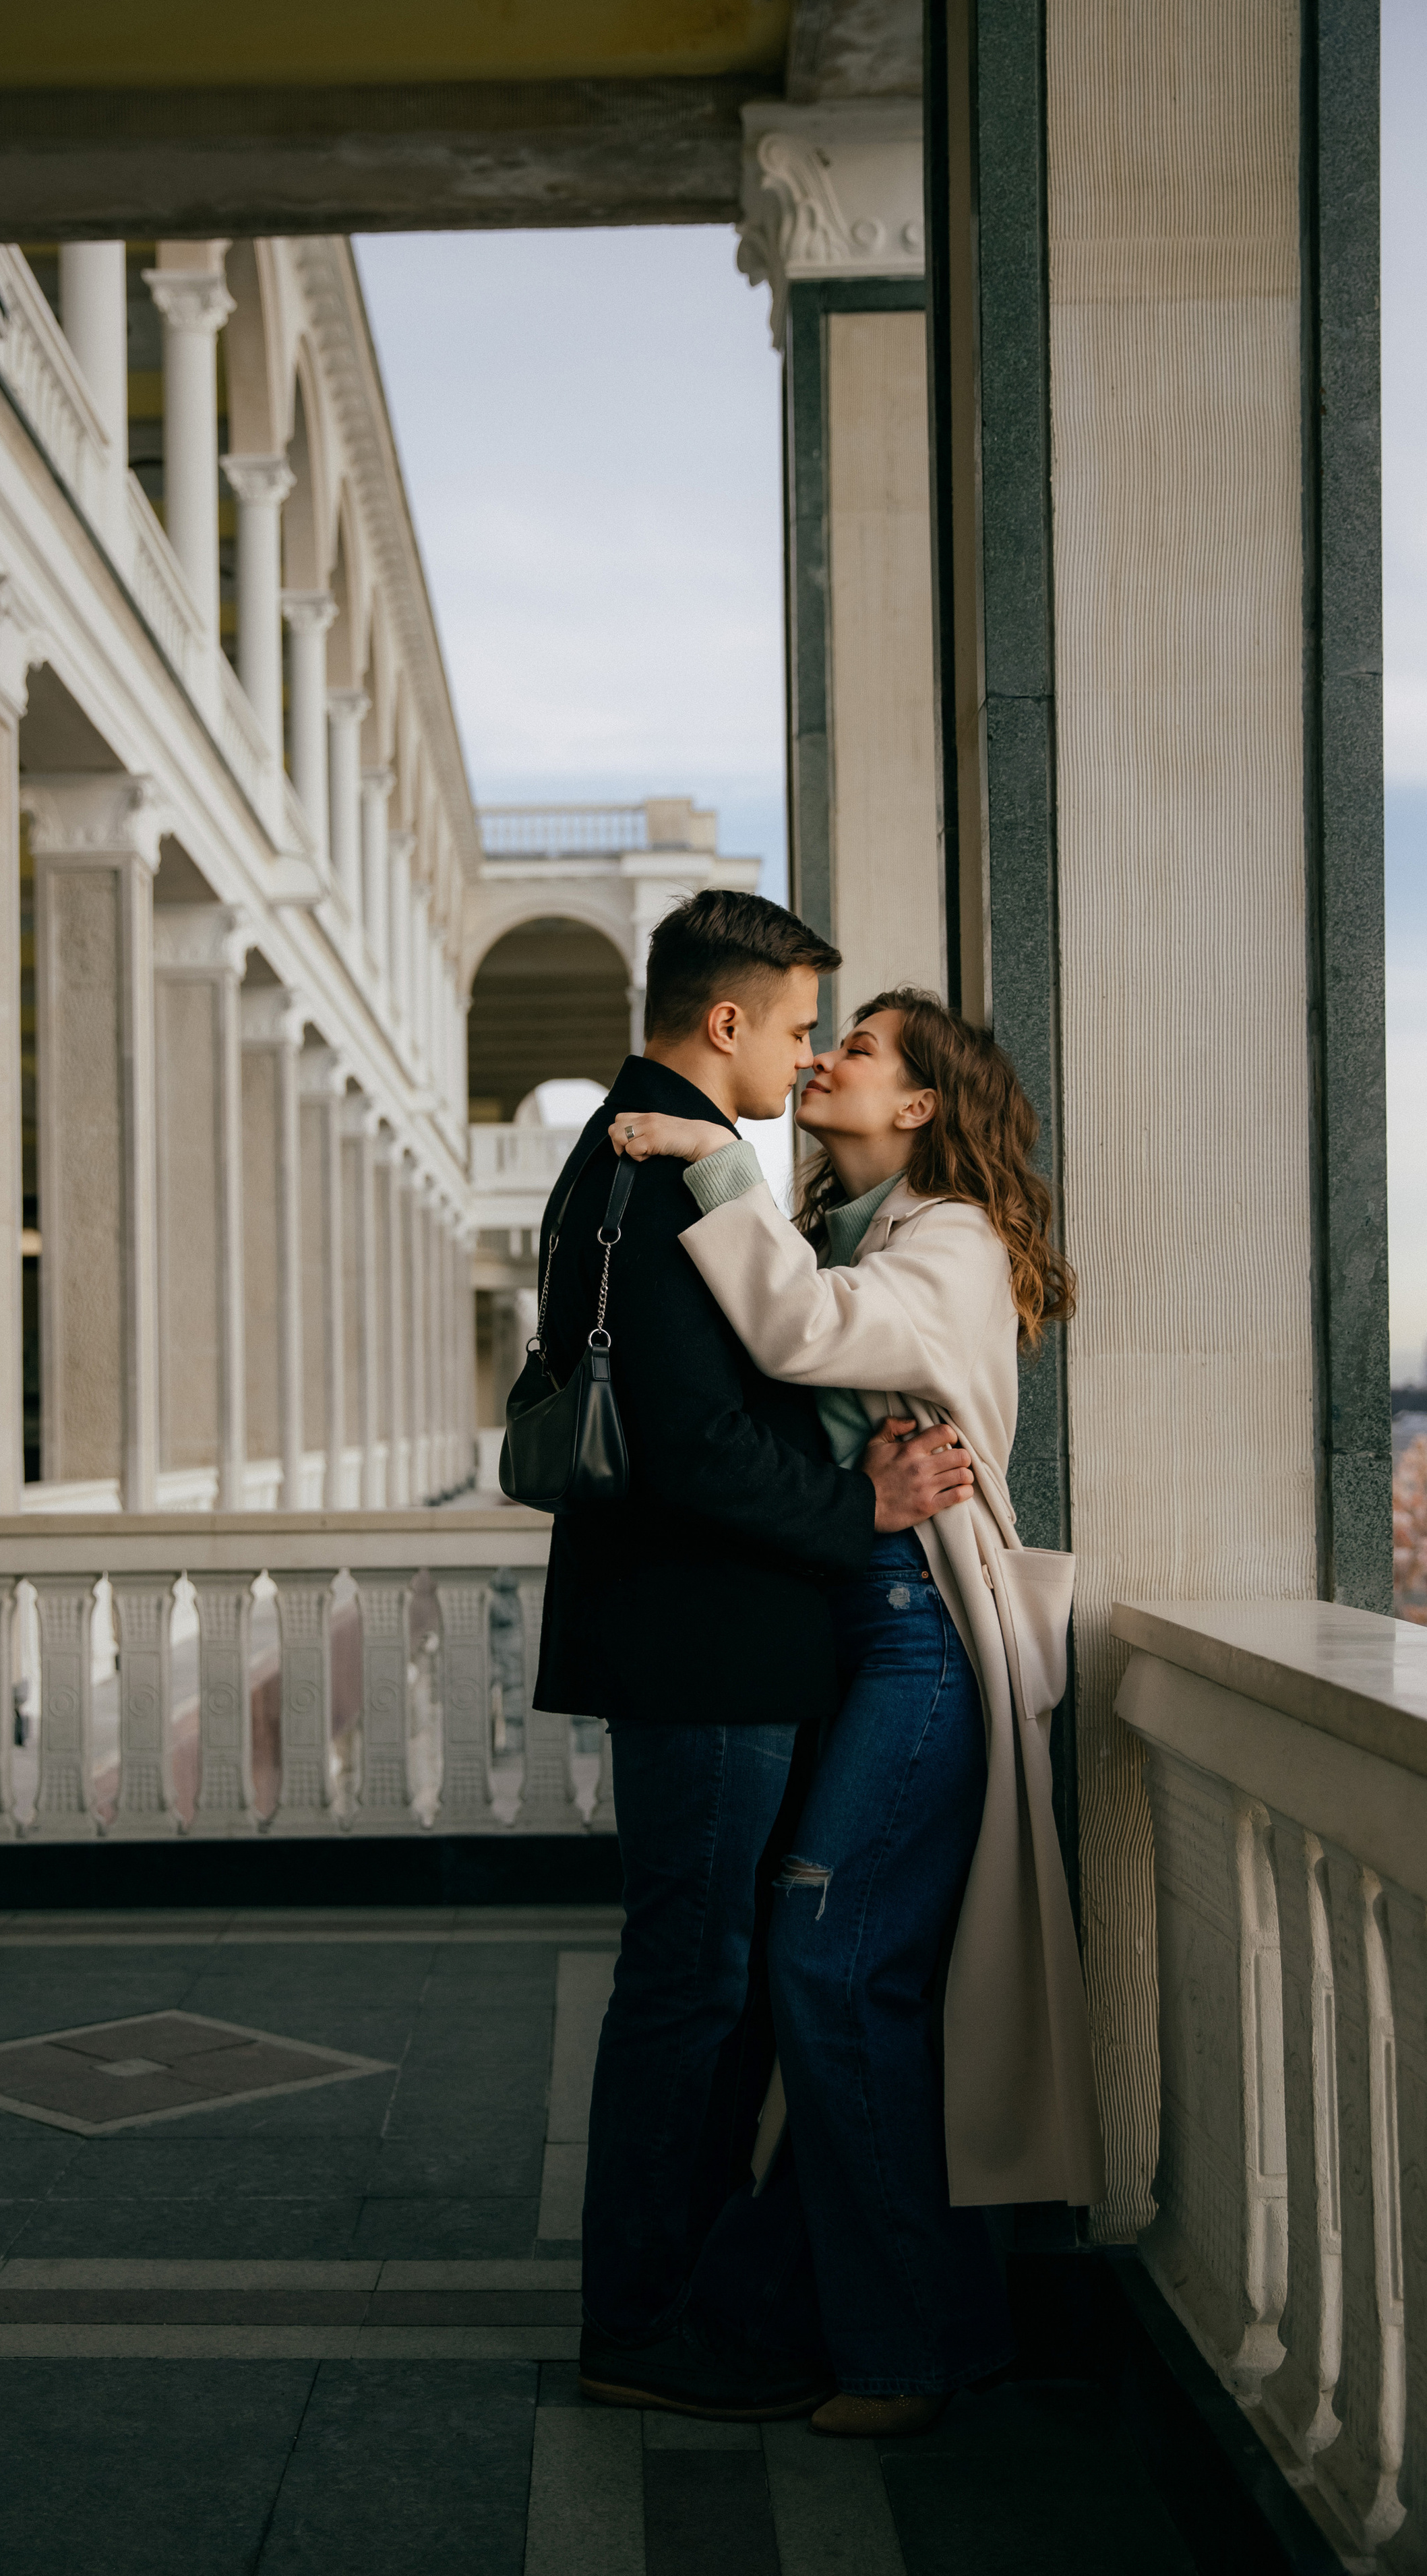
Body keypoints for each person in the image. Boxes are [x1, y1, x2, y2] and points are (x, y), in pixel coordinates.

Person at [611, 986, 1104, 2436]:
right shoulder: (847, 1225)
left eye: (863, 1047)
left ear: (919, 1107)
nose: (824, 1057)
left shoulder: (945, 1239)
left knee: (831, 1972)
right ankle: (873, 2324)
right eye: (827, 1038)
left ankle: (908, 2350)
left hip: (916, 1644)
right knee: (828, 1983)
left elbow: (803, 1336)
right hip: (840, 1637)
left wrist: (708, 1159)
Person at [526, 894, 976, 2423]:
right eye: (795, 1029)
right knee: (689, 1987)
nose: (799, 1062)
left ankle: (691, 2298)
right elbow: (695, 1448)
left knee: (716, 1984)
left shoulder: (654, 1155)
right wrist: (856, 1501)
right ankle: (645, 2321)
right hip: (704, 1644)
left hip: (712, 1638)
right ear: (725, 1022)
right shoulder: (647, 1166)